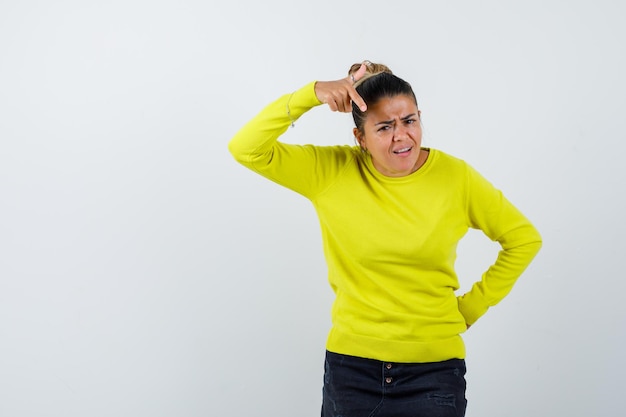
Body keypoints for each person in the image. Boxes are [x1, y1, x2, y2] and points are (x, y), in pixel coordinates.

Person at [228, 61, 542, 417]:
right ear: (360, 138)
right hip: (352, 372)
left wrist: (470, 308)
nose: (401, 136)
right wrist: (311, 94)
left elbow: (523, 239)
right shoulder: (330, 171)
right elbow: (246, 148)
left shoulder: (456, 178)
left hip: (434, 372)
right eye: (384, 127)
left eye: (409, 120)